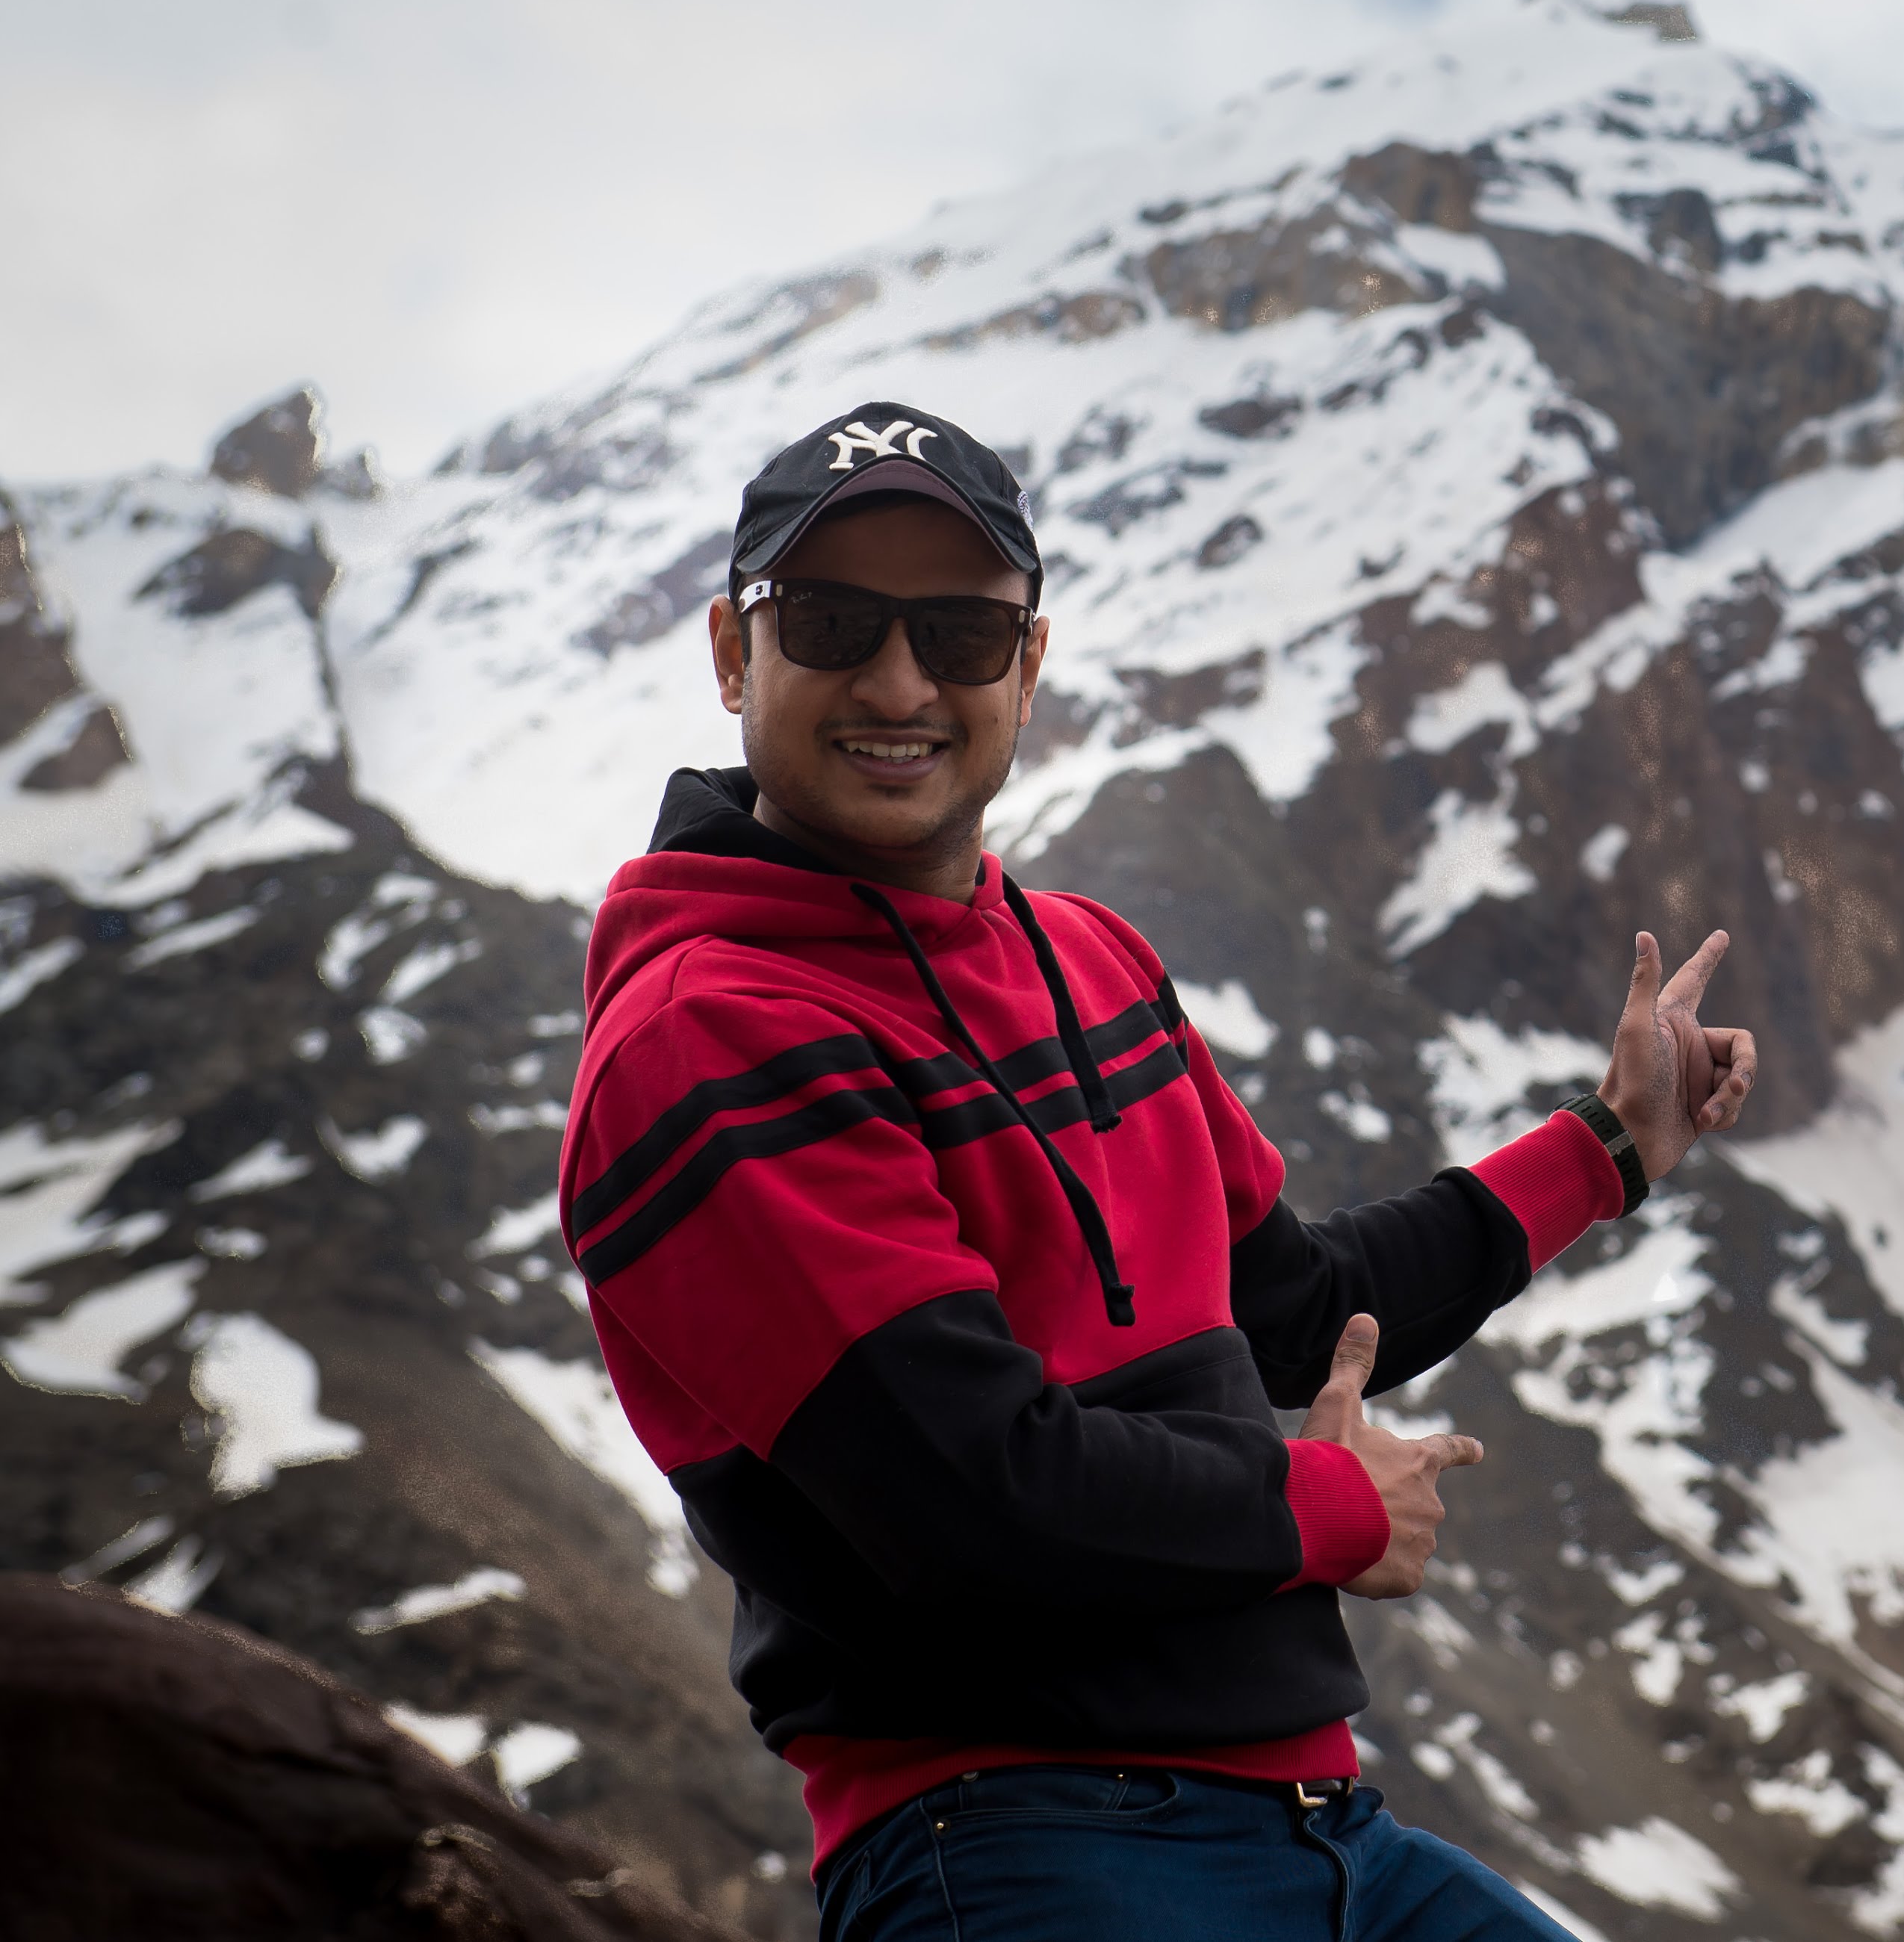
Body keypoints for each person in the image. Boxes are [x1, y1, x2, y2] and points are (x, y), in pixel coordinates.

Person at [557, 400, 1756, 1941]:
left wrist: (1610, 1147)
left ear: (1028, 666)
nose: (901, 683)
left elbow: (1298, 1309)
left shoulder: (1089, 959)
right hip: (1018, 1848)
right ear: (736, 653)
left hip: (1323, 1830)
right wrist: (1323, 1507)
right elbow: (974, 1499)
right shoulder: (708, 1034)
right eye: (835, 623)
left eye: (960, 634)